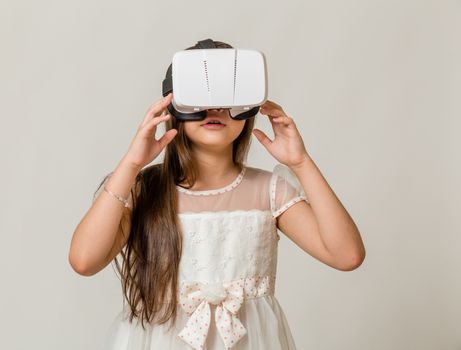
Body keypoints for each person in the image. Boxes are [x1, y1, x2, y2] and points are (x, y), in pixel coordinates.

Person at [69, 40, 366, 350]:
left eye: (229, 97)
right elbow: (83, 260)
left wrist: (301, 163)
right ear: (175, 106)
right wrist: (131, 164)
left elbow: (347, 255)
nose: (215, 109)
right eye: (201, 96)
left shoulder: (269, 192)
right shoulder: (144, 189)